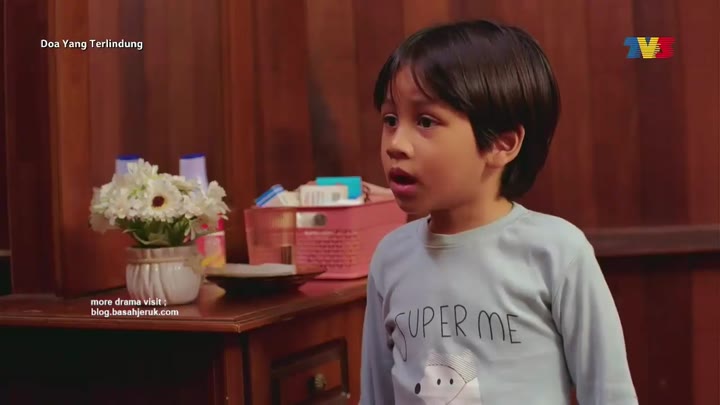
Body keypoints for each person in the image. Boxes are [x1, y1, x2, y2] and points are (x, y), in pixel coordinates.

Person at [359, 20, 638, 404]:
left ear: (502, 144)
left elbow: (609, 394)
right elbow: (376, 395)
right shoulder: (390, 257)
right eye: (390, 120)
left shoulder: (557, 252)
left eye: (425, 121)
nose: (396, 144)